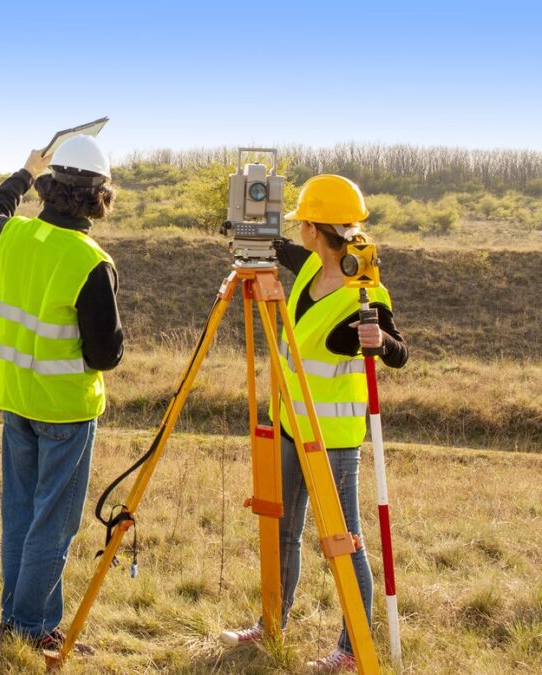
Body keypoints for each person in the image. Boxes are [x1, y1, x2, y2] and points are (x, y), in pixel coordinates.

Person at [219, 175, 409, 672]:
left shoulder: (366, 290)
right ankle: (272, 624)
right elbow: (277, 248)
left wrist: (380, 342)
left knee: (342, 544)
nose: (297, 230)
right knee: (281, 529)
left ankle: (351, 650)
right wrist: (243, 232)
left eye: (302, 221)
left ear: (313, 228)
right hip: (288, 425)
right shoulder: (308, 268)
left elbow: (399, 353)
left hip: (333, 442)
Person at [0, 135, 124, 653]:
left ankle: (20, 620)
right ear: (98, 197)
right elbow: (105, 355)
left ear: (48, 186)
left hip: (16, 400)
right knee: (53, 526)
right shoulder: (90, 261)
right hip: (65, 411)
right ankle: (29, 628)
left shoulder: (13, 236)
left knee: (21, 516)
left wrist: (23, 171)